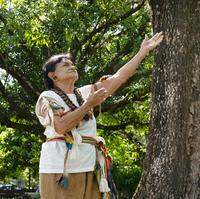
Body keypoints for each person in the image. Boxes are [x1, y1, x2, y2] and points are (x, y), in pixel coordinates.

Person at [35, 32, 164, 199]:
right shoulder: (48, 97)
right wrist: (88, 105)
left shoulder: (84, 93)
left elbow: (119, 77)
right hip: (60, 169)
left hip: (89, 166)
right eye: (65, 64)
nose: (71, 65)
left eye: (72, 63)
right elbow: (61, 127)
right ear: (53, 76)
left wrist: (142, 52)